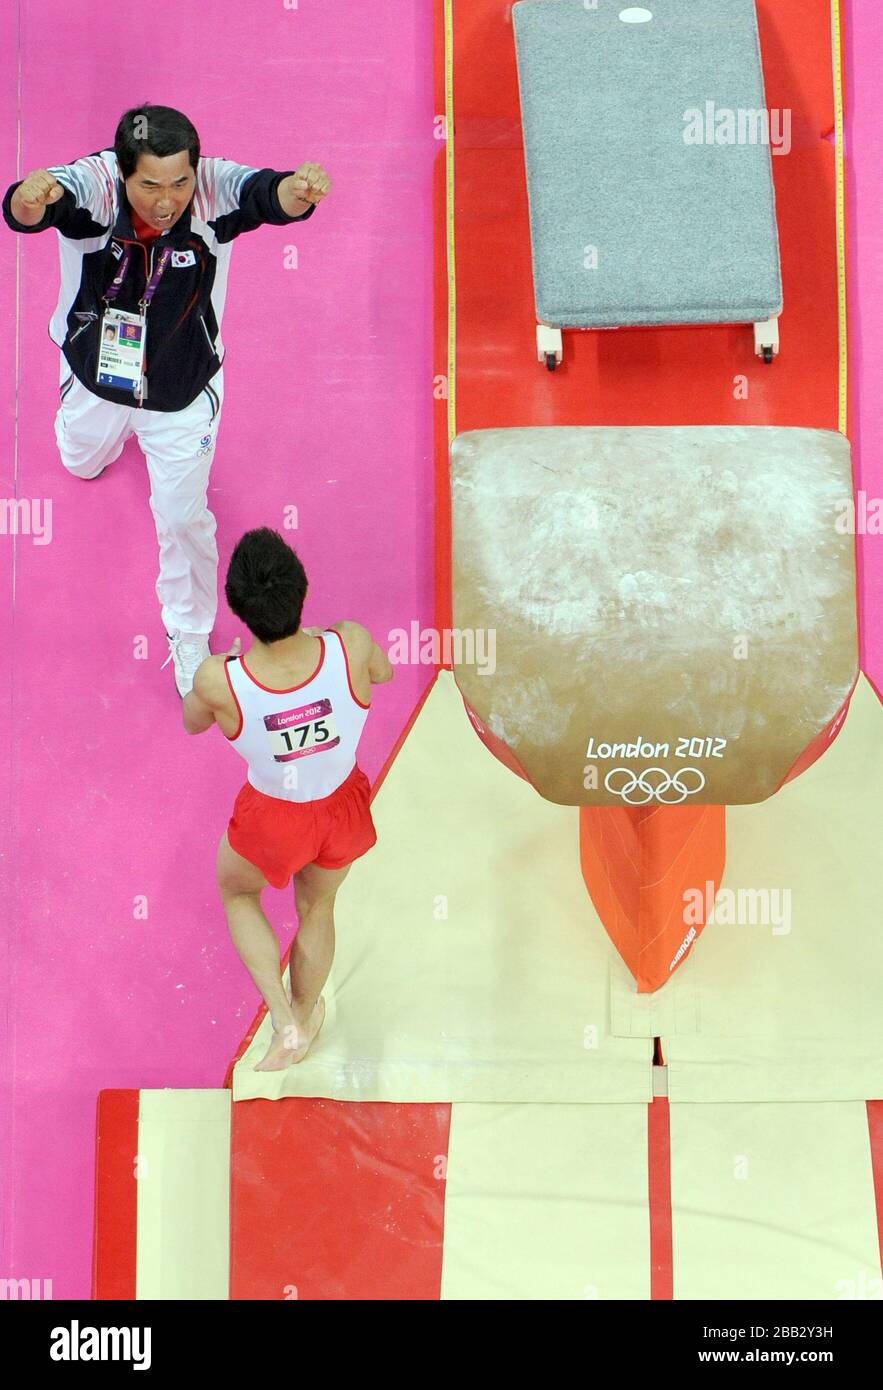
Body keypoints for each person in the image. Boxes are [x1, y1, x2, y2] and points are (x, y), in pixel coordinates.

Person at [2, 105, 330, 695]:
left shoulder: (209, 190)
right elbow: (38, 208)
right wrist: (29, 198)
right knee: (80, 461)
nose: (166, 199)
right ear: (124, 173)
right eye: (150, 184)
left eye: (179, 182)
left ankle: (189, 635)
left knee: (183, 519)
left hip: (181, 393)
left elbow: (263, 194)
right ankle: (87, 434)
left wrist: (297, 191)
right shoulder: (96, 186)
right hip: (96, 376)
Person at [181, 528, 393, 1071]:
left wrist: (223, 667)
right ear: (303, 588)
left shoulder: (219, 680)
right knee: (318, 906)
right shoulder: (350, 642)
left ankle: (284, 1020)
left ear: (237, 607)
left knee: (237, 894)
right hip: (343, 807)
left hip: (274, 819)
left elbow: (191, 724)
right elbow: (383, 674)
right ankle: (306, 1007)